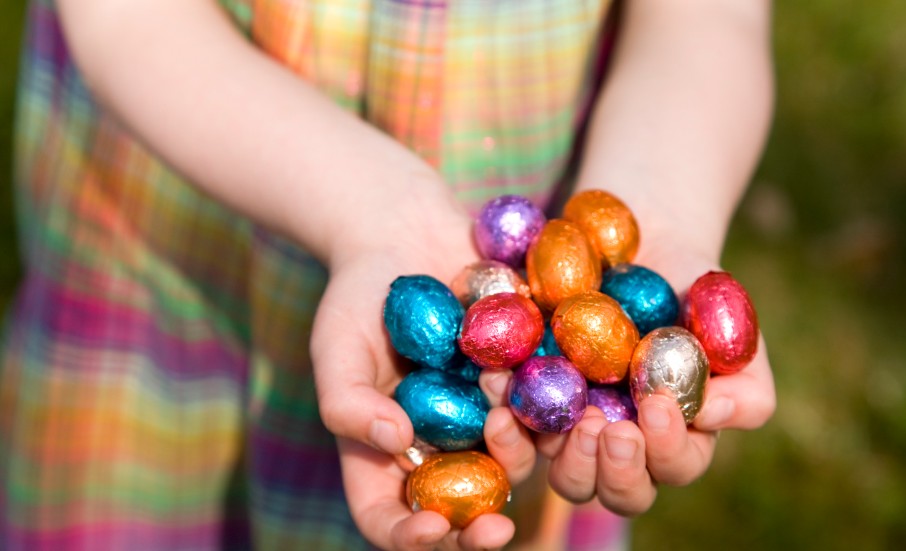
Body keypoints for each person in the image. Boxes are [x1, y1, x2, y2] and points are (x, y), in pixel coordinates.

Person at [0, 0, 776, 549]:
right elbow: (125, 15)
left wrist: (660, 206)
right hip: (177, 264)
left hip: (540, 204)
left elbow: (708, 16)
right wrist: (359, 202)